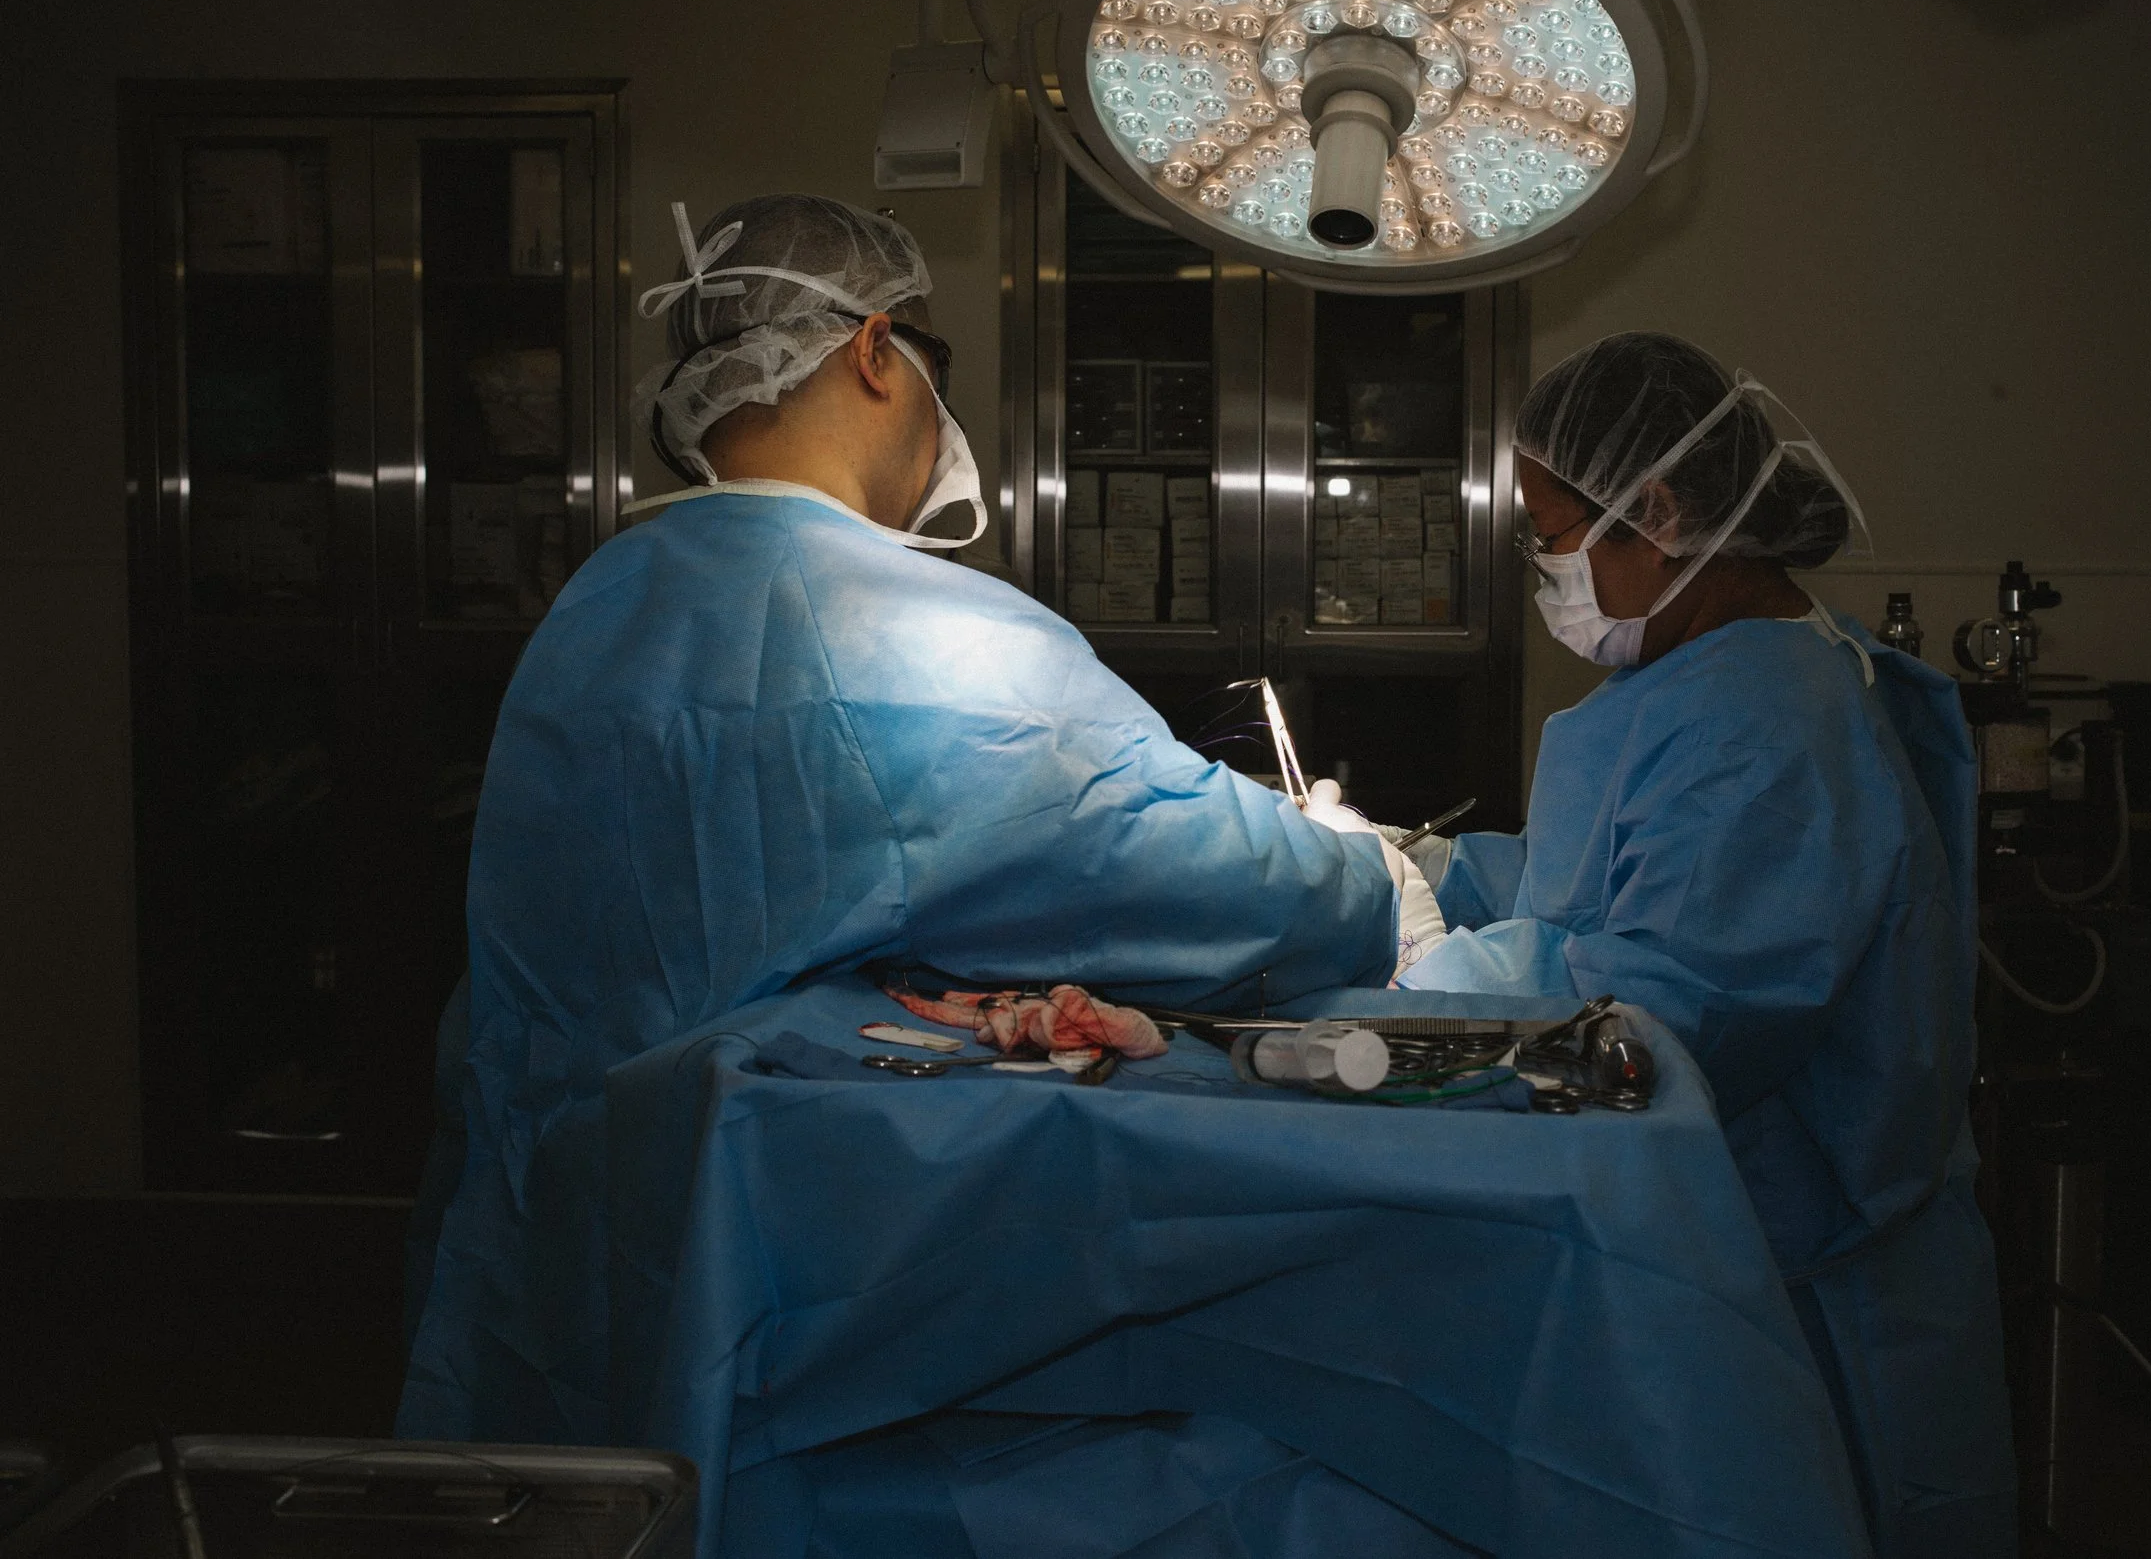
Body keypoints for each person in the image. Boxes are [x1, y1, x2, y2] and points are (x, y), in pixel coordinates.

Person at [400, 194, 1437, 1442]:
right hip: (775, 1267)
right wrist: (1363, 876)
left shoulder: (598, 606)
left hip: (552, 1221)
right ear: (875, 352)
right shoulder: (911, 633)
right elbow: (1160, 848)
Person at [1398, 332, 2018, 1559]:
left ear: (1661, 510)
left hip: (1809, 1282)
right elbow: (1601, 883)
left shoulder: (1765, 718)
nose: (1546, 568)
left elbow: (1672, 1007)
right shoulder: (1718, 682)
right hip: (1744, 1243)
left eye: (1553, 531)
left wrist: (1428, 972)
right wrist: (1426, 869)